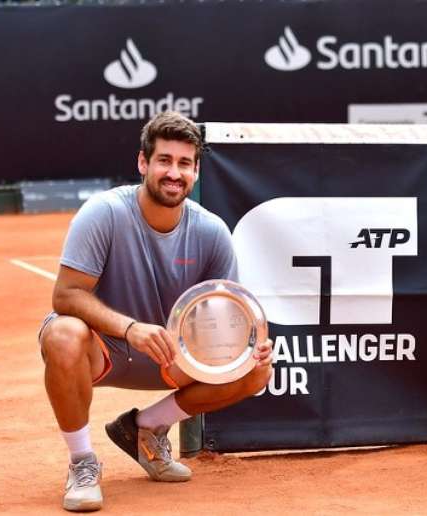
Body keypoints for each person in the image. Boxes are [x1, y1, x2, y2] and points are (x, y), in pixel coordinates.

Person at [39, 111, 274, 512]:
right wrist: (130, 328)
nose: (174, 172)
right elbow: (66, 295)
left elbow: (225, 314)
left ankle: (145, 429)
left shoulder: (212, 231)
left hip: (171, 355)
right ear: (143, 163)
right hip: (106, 348)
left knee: (256, 370)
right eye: (164, 160)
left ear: (197, 171)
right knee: (63, 333)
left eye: (185, 163)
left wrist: (247, 348)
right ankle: (82, 462)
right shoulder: (104, 212)